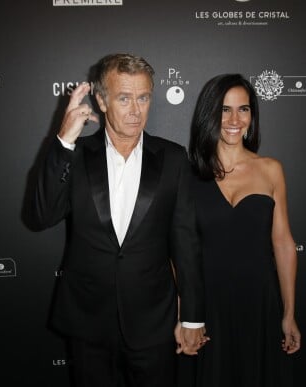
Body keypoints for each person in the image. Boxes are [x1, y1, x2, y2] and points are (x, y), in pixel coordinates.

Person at [32, 53, 207, 386]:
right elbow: (42, 216)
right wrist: (64, 142)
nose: (136, 110)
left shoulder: (172, 158)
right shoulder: (76, 154)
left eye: (143, 98)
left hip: (154, 322)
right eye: (124, 98)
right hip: (88, 321)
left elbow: (186, 242)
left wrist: (194, 318)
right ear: (101, 100)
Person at [186, 73, 301, 386]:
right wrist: (186, 314)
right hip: (209, 307)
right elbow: (179, 253)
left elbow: (283, 243)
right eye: (225, 110)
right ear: (209, 114)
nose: (235, 119)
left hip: (260, 303)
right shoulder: (188, 176)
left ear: (253, 115)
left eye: (244, 109)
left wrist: (288, 312)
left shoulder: (270, 169)